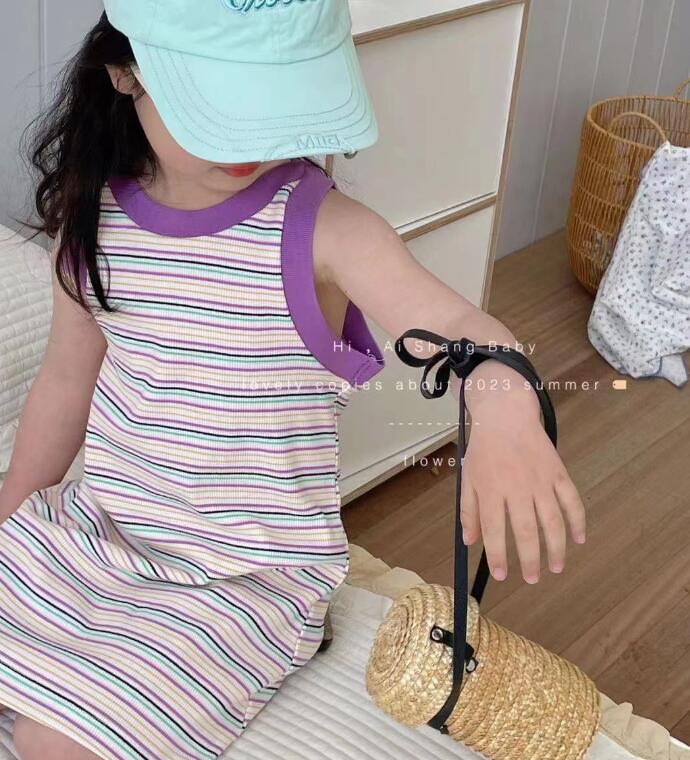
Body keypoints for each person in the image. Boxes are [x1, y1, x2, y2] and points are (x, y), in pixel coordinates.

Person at [0, 2, 586, 759]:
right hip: (102, 531)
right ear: (124, 72)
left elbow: (459, 326)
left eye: (275, 103)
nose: (254, 138)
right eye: (223, 107)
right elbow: (63, 385)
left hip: (247, 582)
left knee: (55, 741)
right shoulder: (92, 220)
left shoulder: (327, 232)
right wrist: (12, 514)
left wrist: (505, 409)